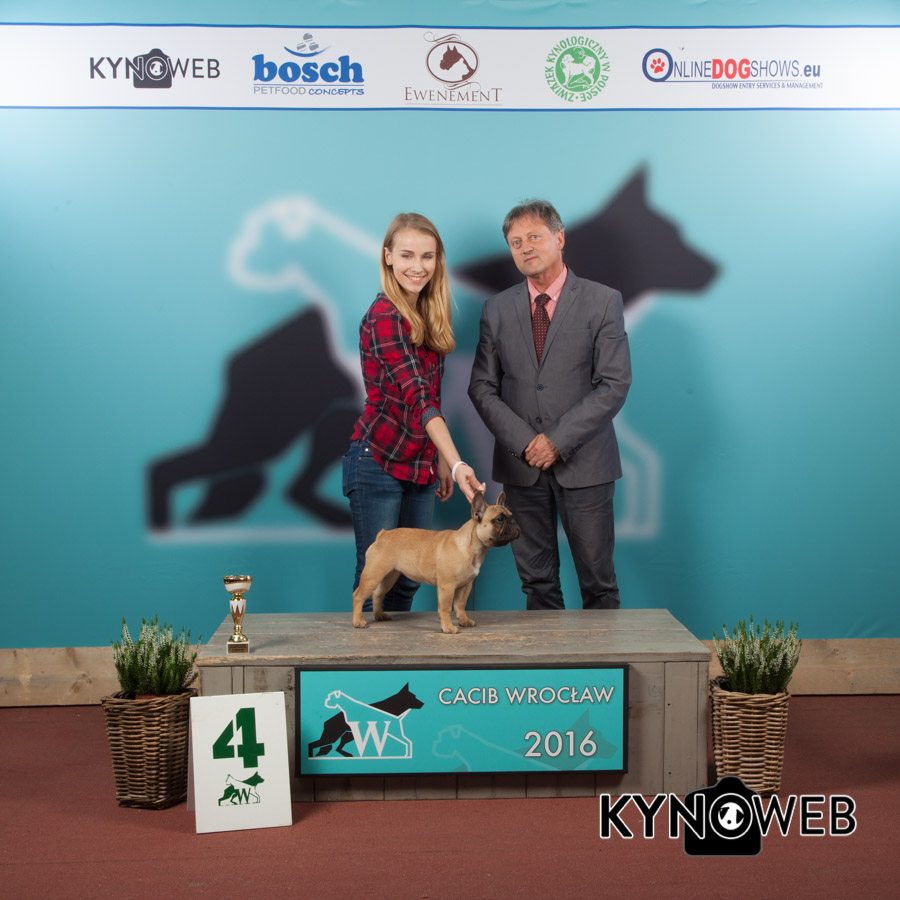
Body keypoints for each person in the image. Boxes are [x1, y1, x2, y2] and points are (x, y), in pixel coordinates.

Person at [468, 199, 631, 610]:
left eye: (534, 237)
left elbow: (613, 384)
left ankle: (601, 656)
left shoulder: (602, 300)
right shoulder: (496, 309)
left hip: (586, 465)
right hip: (521, 468)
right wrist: (527, 443)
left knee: (598, 585)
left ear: (559, 238)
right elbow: (482, 387)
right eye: (515, 242)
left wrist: (556, 440)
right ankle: (549, 656)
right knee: (537, 586)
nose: (525, 247)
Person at [344, 212, 485, 612]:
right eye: (407, 255)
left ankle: (395, 652)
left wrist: (438, 457)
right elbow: (420, 397)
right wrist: (458, 465)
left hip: (418, 465)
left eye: (427, 256)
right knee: (376, 581)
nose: (418, 267)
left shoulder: (427, 315)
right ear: (387, 256)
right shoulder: (384, 316)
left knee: (407, 582)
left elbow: (432, 396)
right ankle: (367, 652)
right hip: (377, 462)